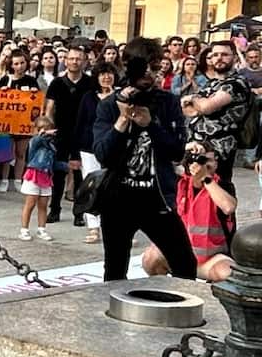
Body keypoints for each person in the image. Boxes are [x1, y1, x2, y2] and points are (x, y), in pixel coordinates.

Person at [93, 37, 196, 282]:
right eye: (143, 65)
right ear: (128, 66)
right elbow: (103, 155)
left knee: (184, 262)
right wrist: (122, 121)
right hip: (118, 198)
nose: (150, 71)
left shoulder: (167, 102)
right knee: (115, 269)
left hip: (156, 197)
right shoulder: (110, 105)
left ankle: (178, 310)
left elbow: (177, 151)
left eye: (155, 64)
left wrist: (151, 125)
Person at [142, 143, 236, 283]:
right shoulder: (179, 183)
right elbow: (154, 160)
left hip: (210, 259)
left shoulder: (222, 185)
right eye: (201, 160)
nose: (205, 165)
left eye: (209, 161)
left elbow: (228, 207)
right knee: (150, 258)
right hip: (180, 255)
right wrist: (183, 148)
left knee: (227, 274)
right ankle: (164, 289)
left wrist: (206, 178)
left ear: (216, 164)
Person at [182, 40, 252, 193]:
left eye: (225, 55)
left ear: (234, 58)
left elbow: (206, 107)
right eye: (215, 55)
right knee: (194, 199)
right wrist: (199, 104)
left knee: (218, 200)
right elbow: (187, 110)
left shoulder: (237, 83)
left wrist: (196, 101)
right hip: (196, 149)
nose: (219, 58)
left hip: (219, 154)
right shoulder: (211, 84)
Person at [43, 45, 95, 227]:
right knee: (58, 173)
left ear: (84, 61)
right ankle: (55, 209)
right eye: (71, 58)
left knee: (81, 174)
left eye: (78, 59)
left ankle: (79, 213)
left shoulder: (90, 83)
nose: (74, 61)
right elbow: (49, 108)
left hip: (83, 133)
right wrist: (49, 129)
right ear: (66, 60)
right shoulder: (57, 83)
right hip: (61, 132)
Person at [75, 61, 116, 244]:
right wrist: (74, 154)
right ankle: (93, 227)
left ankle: (115, 227)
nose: (106, 77)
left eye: (109, 73)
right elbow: (80, 123)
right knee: (92, 186)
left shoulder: (121, 96)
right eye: (102, 74)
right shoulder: (88, 97)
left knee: (115, 187)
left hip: (114, 147)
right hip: (89, 147)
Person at [0, 48, 39, 192]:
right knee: (7, 153)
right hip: (8, 122)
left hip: (24, 123)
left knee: (21, 153)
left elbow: (36, 102)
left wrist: (34, 94)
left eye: (22, 63)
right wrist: (3, 91)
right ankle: (4, 179)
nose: (20, 66)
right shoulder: (6, 79)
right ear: (11, 65)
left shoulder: (31, 80)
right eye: (16, 63)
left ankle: (18, 180)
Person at [17, 115, 57, 242]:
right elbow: (37, 140)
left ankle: (42, 229)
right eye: (44, 129)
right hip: (33, 175)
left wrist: (67, 166)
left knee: (43, 204)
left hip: (46, 176)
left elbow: (53, 163)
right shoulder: (34, 142)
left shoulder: (51, 146)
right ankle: (24, 230)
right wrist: (42, 133)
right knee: (30, 204)